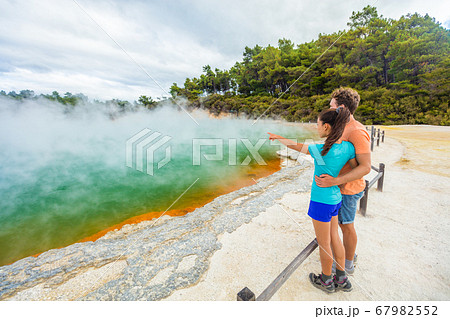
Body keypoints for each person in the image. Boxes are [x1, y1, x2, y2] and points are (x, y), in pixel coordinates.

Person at [268, 106, 356, 294]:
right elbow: (354, 167)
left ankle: (325, 280)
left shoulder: (321, 150)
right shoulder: (348, 147)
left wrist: (277, 137)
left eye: (317, 124)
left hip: (321, 201)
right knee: (334, 238)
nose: (316, 128)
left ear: (326, 127)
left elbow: (295, 146)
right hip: (335, 199)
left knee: (324, 244)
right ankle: (341, 278)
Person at [315, 88, 371, 275]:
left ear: (341, 107)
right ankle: (345, 257)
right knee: (338, 226)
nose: (329, 108)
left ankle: (347, 263)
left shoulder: (356, 131)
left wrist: (336, 180)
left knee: (346, 225)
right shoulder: (341, 127)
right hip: (338, 187)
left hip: (348, 188)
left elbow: (365, 167)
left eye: (331, 105)